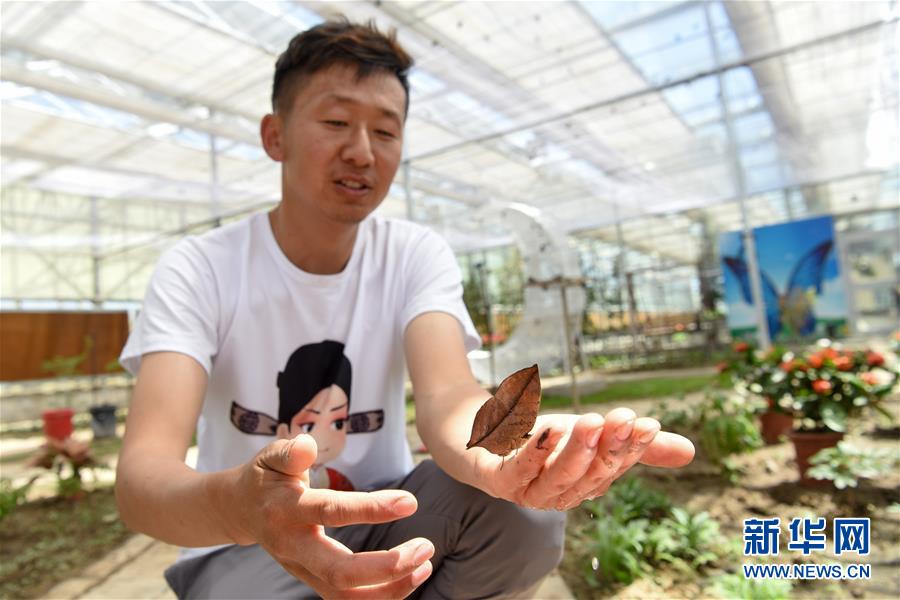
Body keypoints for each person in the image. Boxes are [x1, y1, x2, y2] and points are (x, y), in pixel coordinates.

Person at [115, 18, 695, 600]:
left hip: (388, 514)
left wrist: (507, 450)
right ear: (275, 136)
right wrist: (242, 506)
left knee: (519, 515)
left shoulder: (411, 254)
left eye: (386, 131)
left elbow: (447, 394)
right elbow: (143, 480)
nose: (362, 151)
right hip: (244, 545)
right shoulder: (201, 268)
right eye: (336, 122)